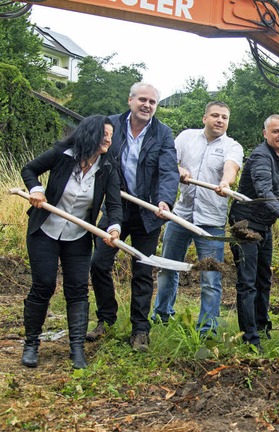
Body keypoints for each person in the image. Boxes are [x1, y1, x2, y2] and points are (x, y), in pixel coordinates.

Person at [20, 115, 122, 369]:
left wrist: (114, 228)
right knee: (43, 284)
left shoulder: (107, 166)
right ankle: (31, 344)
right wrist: (36, 189)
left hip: (78, 236)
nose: (109, 140)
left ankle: (77, 349)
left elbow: (114, 203)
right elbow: (29, 169)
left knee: (77, 289)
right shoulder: (62, 154)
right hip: (45, 230)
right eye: (104, 135)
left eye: (111, 135)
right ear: (90, 134)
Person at [87, 82, 180, 352]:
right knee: (99, 264)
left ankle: (140, 329)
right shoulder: (111, 126)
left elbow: (168, 171)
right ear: (130, 100)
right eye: (142, 99)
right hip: (116, 208)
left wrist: (164, 200)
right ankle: (106, 319)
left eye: (152, 102)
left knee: (142, 270)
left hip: (148, 213)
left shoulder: (162, 133)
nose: (147, 105)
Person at [152, 101, 243, 337]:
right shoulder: (186, 137)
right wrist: (178, 168)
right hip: (180, 216)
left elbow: (231, 168)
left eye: (224, 117)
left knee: (210, 278)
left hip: (211, 222)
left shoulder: (232, 146)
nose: (220, 120)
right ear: (205, 118)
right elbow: (168, 159)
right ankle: (161, 315)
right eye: (215, 115)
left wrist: (226, 183)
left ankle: (208, 329)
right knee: (167, 268)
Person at [228, 114, 279, 351]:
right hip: (245, 223)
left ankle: (262, 327)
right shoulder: (260, 156)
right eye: (276, 131)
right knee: (247, 282)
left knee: (264, 279)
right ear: (265, 134)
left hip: (264, 225)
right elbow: (264, 191)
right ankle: (250, 338)